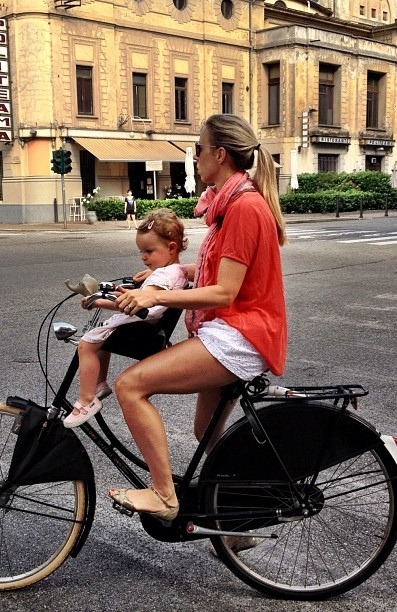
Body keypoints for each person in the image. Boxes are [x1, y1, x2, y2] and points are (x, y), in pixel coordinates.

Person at [108, 114, 287, 524]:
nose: (195, 156)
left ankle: (164, 495)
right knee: (206, 430)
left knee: (130, 385)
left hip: (240, 334)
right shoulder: (232, 202)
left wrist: (154, 295)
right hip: (233, 330)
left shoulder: (244, 207)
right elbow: (221, 269)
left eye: (198, 149)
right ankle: (237, 522)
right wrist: (172, 273)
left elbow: (225, 291)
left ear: (219, 154)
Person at [63, 209, 189, 428]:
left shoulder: (162, 275)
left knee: (86, 344)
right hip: (146, 326)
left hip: (139, 327)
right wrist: (113, 291)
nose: (143, 257)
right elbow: (140, 296)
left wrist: (97, 301)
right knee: (100, 336)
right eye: (141, 251)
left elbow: (142, 305)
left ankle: (86, 400)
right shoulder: (176, 272)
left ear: (171, 248)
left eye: (149, 251)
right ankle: (100, 384)